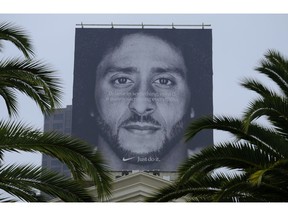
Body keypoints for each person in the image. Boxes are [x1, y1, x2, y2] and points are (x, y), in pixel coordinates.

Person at [93, 32, 194, 171]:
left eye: (164, 81)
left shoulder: (215, 184)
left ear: (193, 99)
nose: (140, 107)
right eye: (121, 80)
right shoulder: (65, 182)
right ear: (91, 97)